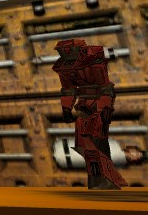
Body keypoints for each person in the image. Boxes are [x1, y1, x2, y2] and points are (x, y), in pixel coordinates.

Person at [51, 38, 129, 189]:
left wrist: (104, 109)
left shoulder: (93, 60)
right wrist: (66, 108)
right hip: (85, 105)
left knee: (97, 144)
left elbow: (105, 87)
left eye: (66, 50)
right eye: (62, 51)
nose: (64, 53)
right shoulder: (64, 66)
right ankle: (98, 181)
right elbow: (68, 89)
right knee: (84, 144)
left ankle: (107, 181)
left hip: (98, 104)